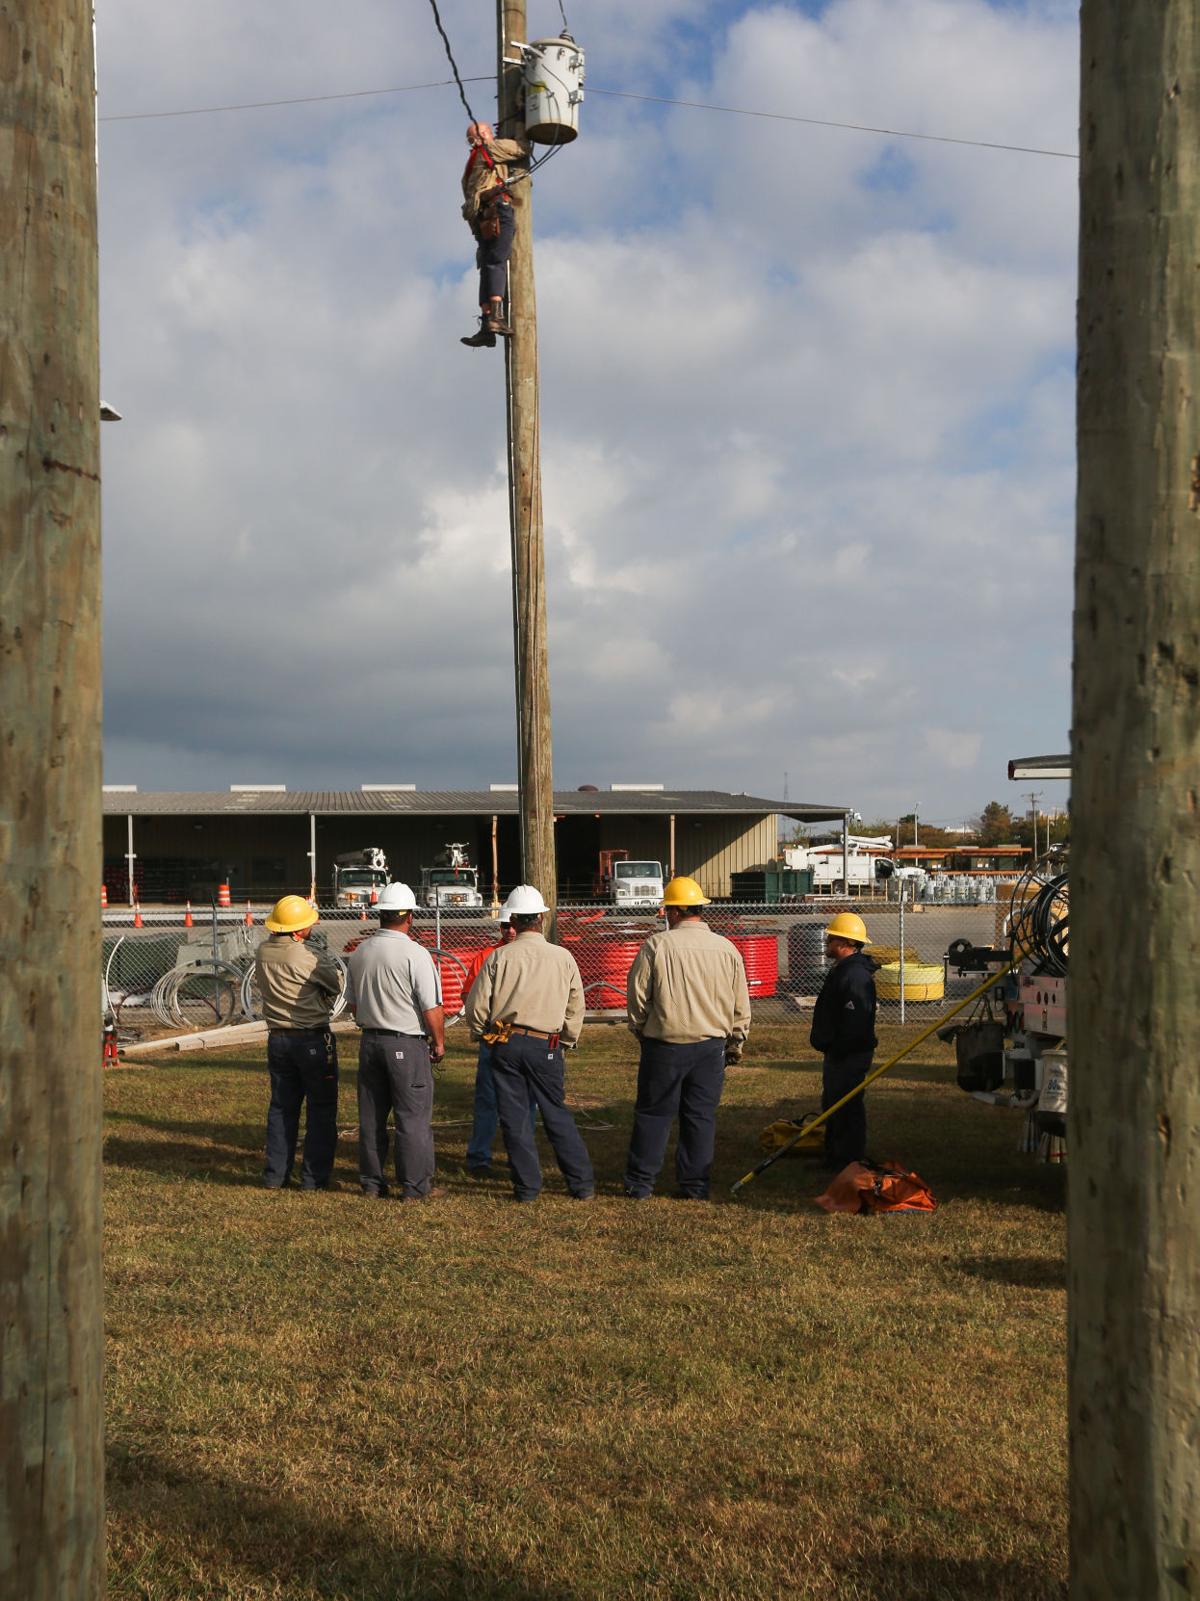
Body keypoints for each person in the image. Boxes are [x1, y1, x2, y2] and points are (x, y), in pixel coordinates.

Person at [623, 876, 751, 1200]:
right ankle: (695, 1186)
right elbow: (740, 1003)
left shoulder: (657, 945)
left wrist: (641, 1028)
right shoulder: (727, 949)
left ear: (675, 912)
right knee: (700, 1117)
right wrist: (736, 1040)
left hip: (665, 1044)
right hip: (710, 1047)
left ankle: (640, 1183)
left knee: (654, 1114)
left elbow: (638, 997)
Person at [463, 885, 593, 1201]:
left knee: (514, 1117)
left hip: (505, 1042)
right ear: (541, 919)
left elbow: (477, 1007)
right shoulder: (563, 957)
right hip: (546, 1044)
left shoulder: (497, 958)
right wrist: (566, 1040)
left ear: (514, 920)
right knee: (556, 1114)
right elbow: (576, 1005)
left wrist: (484, 1035)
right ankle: (581, 1184)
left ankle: (527, 1188)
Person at [344, 882, 446, 1200]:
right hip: (405, 1043)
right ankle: (415, 1186)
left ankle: (372, 1183)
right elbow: (431, 1007)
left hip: (370, 1042)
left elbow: (353, 1004)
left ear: (381, 915)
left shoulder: (361, 951)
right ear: (409, 916)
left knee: (371, 1117)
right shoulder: (415, 954)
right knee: (412, 1117)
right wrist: (438, 1042)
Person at [255, 894, 342, 1190]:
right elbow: (335, 983)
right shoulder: (305, 955)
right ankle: (314, 1178)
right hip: (312, 1039)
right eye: (307, 924)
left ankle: (275, 1175)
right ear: (297, 930)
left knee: (281, 1107)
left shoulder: (263, 951)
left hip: (278, 1038)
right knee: (321, 1108)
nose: (311, 927)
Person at [461, 910, 538, 1177]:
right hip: (495, 1038)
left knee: (526, 1100)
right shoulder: (485, 956)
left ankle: (521, 1154)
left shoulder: (536, 954)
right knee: (488, 1099)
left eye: (512, 925)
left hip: (525, 1036)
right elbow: (468, 995)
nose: (509, 931)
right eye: (505, 926)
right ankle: (480, 1157)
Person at [809, 911, 878, 1170]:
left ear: (843, 943)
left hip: (849, 1054)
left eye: (831, 939)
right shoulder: (845, 971)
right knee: (833, 1104)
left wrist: (839, 1048)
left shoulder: (855, 976)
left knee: (846, 1106)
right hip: (840, 1053)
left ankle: (848, 1159)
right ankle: (835, 1156)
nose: (827, 944)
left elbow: (856, 1019)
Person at [459, 120, 530, 349]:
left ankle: (487, 324)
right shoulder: (490, 149)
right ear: (484, 135)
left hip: (482, 220)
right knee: (497, 262)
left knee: (489, 265)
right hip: (497, 211)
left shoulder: (470, 165)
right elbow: (521, 148)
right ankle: (496, 318)